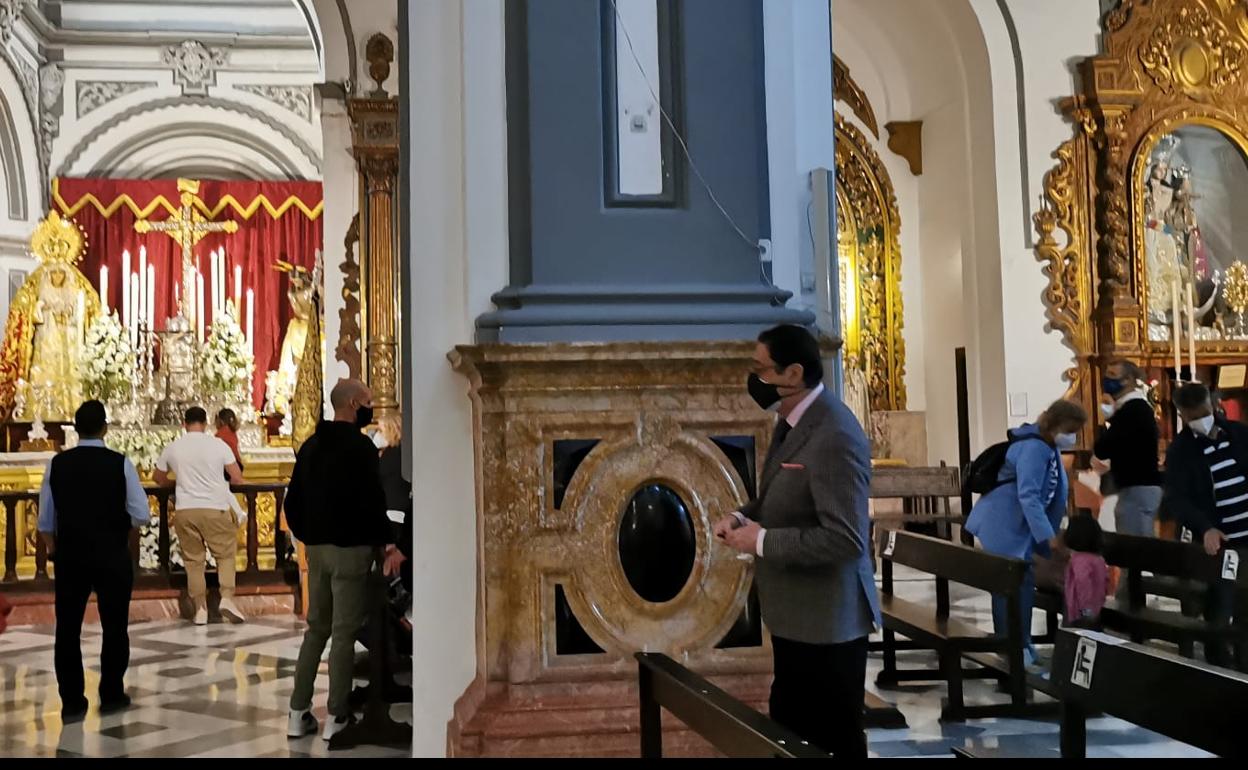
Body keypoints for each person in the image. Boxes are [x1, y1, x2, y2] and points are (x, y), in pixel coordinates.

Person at [712, 325, 880, 759]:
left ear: (793, 373)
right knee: (791, 731)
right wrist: (742, 516)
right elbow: (780, 495)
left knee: (832, 741)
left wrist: (762, 541)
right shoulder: (793, 422)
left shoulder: (834, 434)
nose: (754, 378)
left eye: (761, 369)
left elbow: (845, 539)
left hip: (827, 625)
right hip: (796, 619)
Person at [283, 379, 406, 742]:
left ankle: (297, 712)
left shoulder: (311, 446)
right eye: (367, 401)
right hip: (351, 550)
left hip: (318, 550)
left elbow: (293, 501)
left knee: (316, 629)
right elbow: (372, 500)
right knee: (343, 633)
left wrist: (309, 536)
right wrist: (383, 543)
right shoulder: (361, 448)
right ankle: (337, 715)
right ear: (354, 404)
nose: (371, 407)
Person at [37, 400, 150, 721]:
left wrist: (55, 549)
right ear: (105, 428)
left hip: (71, 556)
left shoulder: (57, 464)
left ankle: (72, 700)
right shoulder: (120, 463)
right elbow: (141, 514)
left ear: (76, 429)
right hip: (112, 554)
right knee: (115, 626)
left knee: (67, 629)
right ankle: (112, 693)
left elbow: (45, 520)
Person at [965, 399, 1087, 667]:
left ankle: (1014, 644)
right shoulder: (1034, 447)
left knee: (1015, 582)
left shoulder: (1044, 444)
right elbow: (1029, 496)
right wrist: (1048, 537)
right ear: (1055, 424)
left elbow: (1051, 490)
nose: (1073, 437)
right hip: (1005, 523)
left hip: (1013, 524)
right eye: (1070, 430)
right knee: (1013, 582)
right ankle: (1015, 647)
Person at [1163, 382, 1248, 670]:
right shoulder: (1181, 450)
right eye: (1192, 416)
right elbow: (1177, 499)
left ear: (1212, 405)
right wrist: (1205, 527)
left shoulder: (1239, 434)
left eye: (1203, 412)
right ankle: (1219, 669)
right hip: (1221, 543)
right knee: (1220, 608)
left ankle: (1244, 668)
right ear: (1182, 415)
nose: (1200, 419)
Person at [155, 406, 244, 626]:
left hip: (186, 509)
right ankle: (226, 598)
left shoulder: (173, 447)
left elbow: (158, 477)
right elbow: (236, 477)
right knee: (225, 555)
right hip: (215, 507)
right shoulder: (218, 445)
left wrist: (177, 484)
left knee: (193, 561)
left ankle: (200, 609)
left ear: (184, 424)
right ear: (205, 424)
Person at [1094, 361, 1162, 536]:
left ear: (1129, 379)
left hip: (1138, 489)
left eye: (1112, 375)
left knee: (1136, 548)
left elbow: (1103, 448)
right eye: (1107, 374)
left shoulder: (1133, 410)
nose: (1107, 380)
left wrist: (1109, 418)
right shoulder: (1131, 409)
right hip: (1136, 488)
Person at [1062, 514, 1110, 629]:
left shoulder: (1079, 560)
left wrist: (1086, 609)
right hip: (1096, 606)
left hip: (1079, 610)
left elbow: (1083, 583)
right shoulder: (1098, 559)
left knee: (1075, 635)